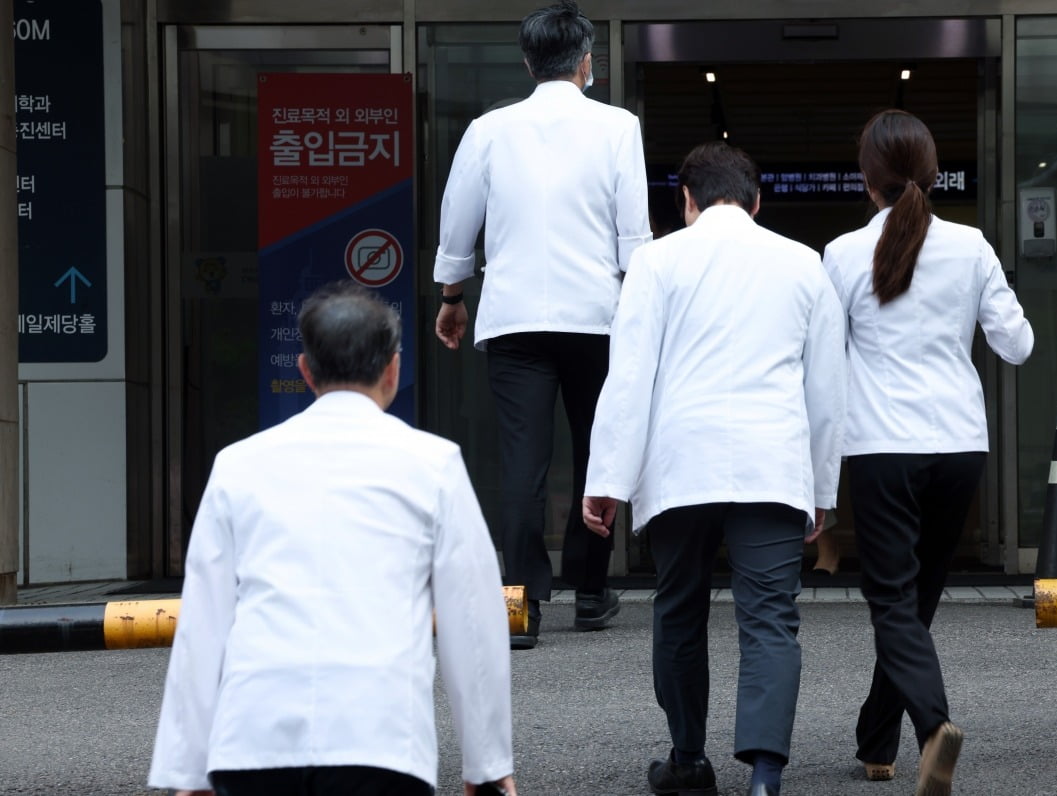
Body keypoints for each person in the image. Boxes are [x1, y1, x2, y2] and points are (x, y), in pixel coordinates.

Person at [148, 282, 517, 796]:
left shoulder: (237, 465)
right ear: (393, 369)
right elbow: (472, 618)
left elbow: (204, 621)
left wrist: (187, 769)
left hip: (252, 742)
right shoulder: (434, 465)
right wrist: (487, 760)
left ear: (305, 371)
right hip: (381, 741)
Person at [582, 142, 846, 796]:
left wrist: (606, 479)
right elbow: (827, 388)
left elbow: (630, 375)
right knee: (770, 619)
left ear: (686, 201)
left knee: (678, 609)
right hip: (773, 461)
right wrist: (822, 486)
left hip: (680, 462)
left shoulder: (656, 260)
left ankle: (688, 759)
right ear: (758, 203)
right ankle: (763, 775)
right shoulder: (803, 264)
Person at [822, 109, 1034, 795]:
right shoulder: (972, 247)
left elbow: (824, 368)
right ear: (932, 170)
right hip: (959, 444)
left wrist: (816, 474)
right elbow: (1017, 345)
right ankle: (876, 743)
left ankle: (933, 727)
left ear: (867, 176)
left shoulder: (842, 254)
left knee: (892, 601)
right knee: (915, 604)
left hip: (882, 446)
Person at [433, 0, 652, 651]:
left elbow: (457, 218)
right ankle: (590, 593)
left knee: (522, 463)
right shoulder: (618, 128)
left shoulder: (489, 128)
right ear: (587, 63)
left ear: (529, 62)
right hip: (597, 318)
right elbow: (633, 235)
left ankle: (519, 605)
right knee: (596, 451)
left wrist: (452, 294)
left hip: (515, 317)